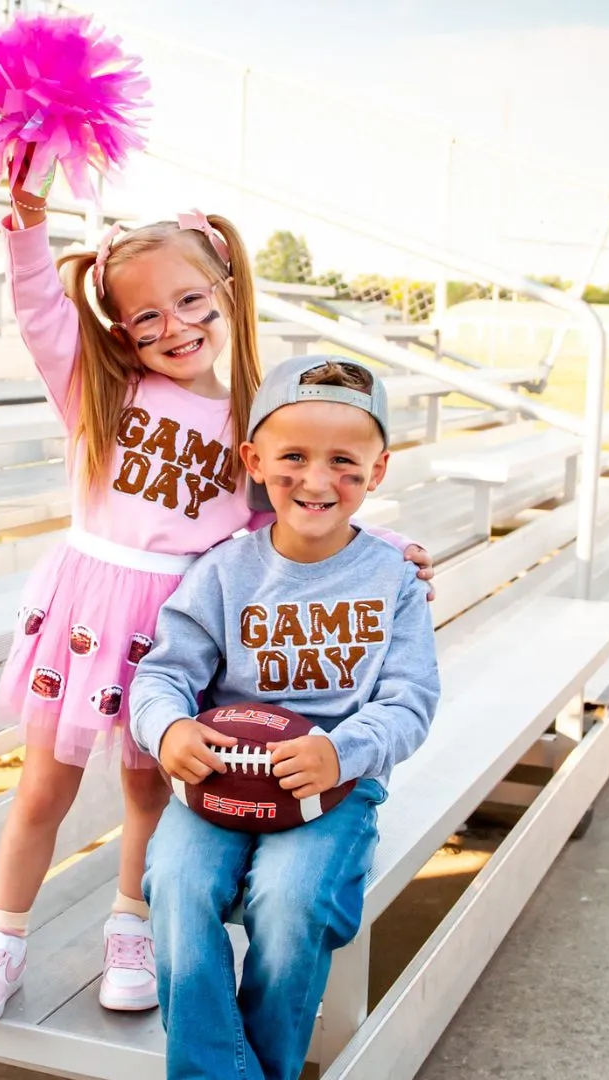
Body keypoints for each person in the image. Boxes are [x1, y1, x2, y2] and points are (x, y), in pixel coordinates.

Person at [0, 157, 435, 1027]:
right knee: (43, 788)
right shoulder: (102, 392)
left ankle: (130, 927)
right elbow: (42, 316)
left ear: (225, 292)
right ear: (123, 333)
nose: (175, 326)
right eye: (146, 316)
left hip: (176, 628)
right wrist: (25, 222)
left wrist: (380, 543)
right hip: (88, 613)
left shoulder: (250, 419)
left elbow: (283, 506)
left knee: (149, 791)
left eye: (192, 302)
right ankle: (1, 937)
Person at [129, 355, 442, 1080]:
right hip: (221, 777)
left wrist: (345, 751)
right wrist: (169, 728)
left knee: (291, 899)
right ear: (254, 460)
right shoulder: (222, 571)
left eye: (345, 462)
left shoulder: (393, 580)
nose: (317, 479)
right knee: (176, 881)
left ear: (380, 468)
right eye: (293, 457)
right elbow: (165, 673)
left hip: (334, 779)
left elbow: (410, 700)